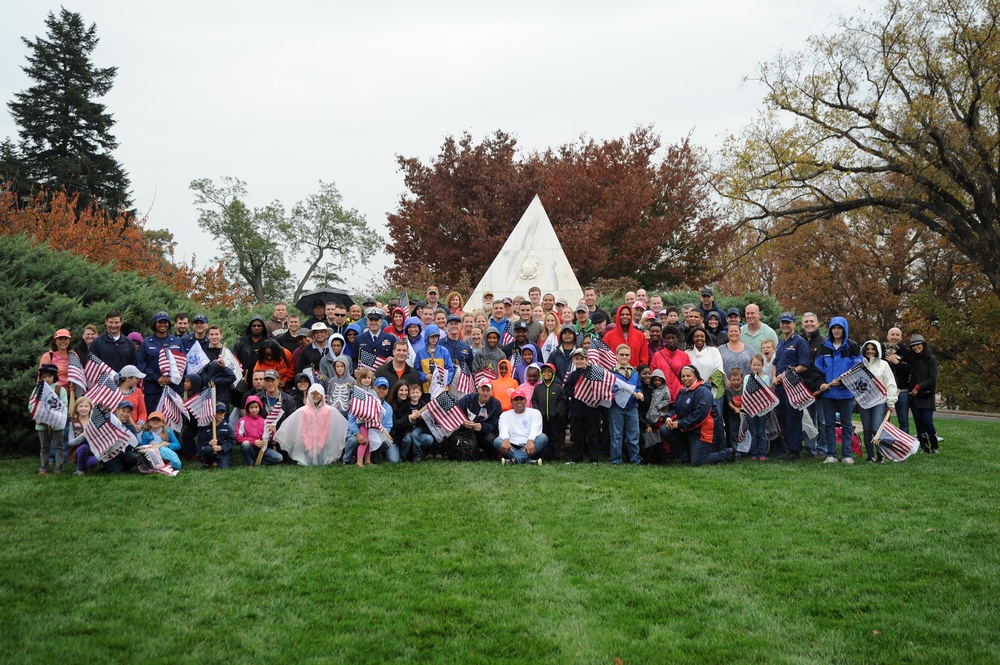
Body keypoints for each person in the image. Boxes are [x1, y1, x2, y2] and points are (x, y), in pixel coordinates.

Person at [660, 365, 734, 466]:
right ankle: (686, 457)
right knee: (664, 429)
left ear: (696, 376)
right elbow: (676, 409)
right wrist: (668, 418)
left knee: (697, 462)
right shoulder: (682, 391)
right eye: (683, 376)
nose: (685, 378)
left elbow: (700, 416)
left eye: (688, 376)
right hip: (687, 428)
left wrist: (680, 424)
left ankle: (727, 453)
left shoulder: (703, 391)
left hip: (701, 431)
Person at [814, 316, 862, 463]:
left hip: (846, 393)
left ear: (844, 329)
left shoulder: (853, 346)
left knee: (847, 424)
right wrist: (821, 383)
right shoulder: (824, 346)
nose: (836, 331)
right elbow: (818, 368)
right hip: (828, 393)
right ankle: (831, 454)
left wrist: (842, 382)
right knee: (828, 424)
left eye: (839, 328)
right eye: (833, 328)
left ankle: (847, 455)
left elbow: (857, 368)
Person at [275, 383, 349, 466]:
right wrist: (309, 447)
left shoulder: (328, 410)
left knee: (321, 461)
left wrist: (320, 445)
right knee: (308, 461)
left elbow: (326, 429)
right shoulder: (304, 411)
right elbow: (303, 430)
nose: (315, 396)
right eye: (313, 393)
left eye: (318, 394)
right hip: (307, 444)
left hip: (322, 444)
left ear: (322, 395)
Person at [772, 312, 812, 461]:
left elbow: (804, 365)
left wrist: (786, 374)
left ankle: (795, 450)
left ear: (794, 324)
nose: (785, 325)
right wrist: (776, 376)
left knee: (793, 417)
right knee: (781, 416)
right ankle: (789, 447)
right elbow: (775, 363)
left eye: (788, 322)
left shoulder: (800, 342)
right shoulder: (781, 343)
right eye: (783, 322)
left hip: (794, 386)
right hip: (780, 387)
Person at [137, 311, 184, 414]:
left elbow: (183, 363)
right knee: (154, 419)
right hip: (153, 389)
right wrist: (156, 377)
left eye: (165, 322)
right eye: (160, 322)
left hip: (174, 387)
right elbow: (141, 365)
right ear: (155, 323)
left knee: (174, 420)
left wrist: (172, 378)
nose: (163, 325)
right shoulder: (147, 342)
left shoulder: (176, 341)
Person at [343, 376, 396, 465]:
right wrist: (358, 434)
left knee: (387, 442)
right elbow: (351, 420)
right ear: (374, 388)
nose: (381, 390)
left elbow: (388, 426)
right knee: (353, 441)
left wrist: (378, 434)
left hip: (375, 432)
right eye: (379, 388)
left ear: (387, 390)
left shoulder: (388, 408)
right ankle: (348, 459)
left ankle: (370, 458)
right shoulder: (361, 400)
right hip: (359, 431)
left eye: (384, 388)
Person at [859, 340, 898, 463]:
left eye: (873, 349)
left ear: (877, 350)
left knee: (877, 428)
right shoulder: (860, 365)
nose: (870, 351)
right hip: (864, 402)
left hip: (879, 401)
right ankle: (870, 456)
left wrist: (891, 401)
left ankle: (881, 455)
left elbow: (890, 383)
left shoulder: (884, 365)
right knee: (867, 429)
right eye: (868, 349)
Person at [562, 349, 601, 464]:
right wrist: (577, 390)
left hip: (591, 409)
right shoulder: (572, 376)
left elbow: (598, 388)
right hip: (576, 410)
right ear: (573, 360)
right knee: (577, 435)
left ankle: (594, 458)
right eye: (577, 359)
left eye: (582, 359)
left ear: (587, 360)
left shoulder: (593, 373)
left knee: (592, 434)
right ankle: (576, 458)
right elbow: (567, 391)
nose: (579, 361)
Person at [494, 384, 548, 465]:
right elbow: (503, 429)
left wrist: (530, 440)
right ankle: (528, 461)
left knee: (543, 437)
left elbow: (535, 429)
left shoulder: (535, 413)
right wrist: (505, 439)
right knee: (497, 441)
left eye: (521, 399)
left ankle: (515, 460)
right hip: (512, 445)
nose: (519, 401)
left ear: (526, 401)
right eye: (516, 399)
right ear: (511, 402)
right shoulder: (504, 415)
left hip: (530, 444)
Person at [609, 344, 644, 465]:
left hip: (632, 407)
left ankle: (635, 459)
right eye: (621, 354)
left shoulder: (634, 373)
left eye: (627, 355)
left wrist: (640, 394)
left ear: (630, 356)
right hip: (616, 407)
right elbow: (608, 389)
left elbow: (639, 387)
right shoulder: (611, 372)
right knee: (616, 434)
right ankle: (615, 460)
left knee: (633, 435)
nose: (624, 357)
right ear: (616, 355)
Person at [32, 363, 68, 474]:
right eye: (44, 376)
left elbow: (64, 405)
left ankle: (59, 467)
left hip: (56, 423)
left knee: (58, 445)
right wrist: (37, 416)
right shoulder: (38, 389)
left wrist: (53, 418)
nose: (47, 379)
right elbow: (32, 404)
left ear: (54, 377)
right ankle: (44, 466)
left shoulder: (60, 389)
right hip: (41, 422)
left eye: (49, 376)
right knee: (44, 446)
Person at [908, 334, 939, 454]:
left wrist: (918, 386)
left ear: (923, 345)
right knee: (919, 423)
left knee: (927, 421)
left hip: (927, 395)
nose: (916, 347)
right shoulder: (912, 359)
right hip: (915, 396)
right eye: (913, 346)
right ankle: (924, 446)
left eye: (918, 345)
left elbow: (932, 378)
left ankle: (934, 445)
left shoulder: (931, 359)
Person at [531, 364, 565, 461]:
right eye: (544, 372)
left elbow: (562, 400)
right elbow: (534, 400)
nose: (546, 374)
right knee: (544, 437)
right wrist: (538, 411)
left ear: (553, 374)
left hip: (554, 418)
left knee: (555, 437)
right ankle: (545, 456)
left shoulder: (557, 388)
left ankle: (556, 456)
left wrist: (558, 412)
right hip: (542, 419)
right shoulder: (538, 388)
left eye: (549, 372)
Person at [238, 395, 282, 466]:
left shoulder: (264, 421)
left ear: (260, 408)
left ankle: (259, 461)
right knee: (245, 445)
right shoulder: (242, 421)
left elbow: (270, 440)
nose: (254, 410)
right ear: (247, 408)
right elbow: (238, 437)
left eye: (256, 407)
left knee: (279, 458)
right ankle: (249, 462)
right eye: (251, 407)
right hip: (250, 447)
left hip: (262, 448)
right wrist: (254, 442)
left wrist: (273, 432)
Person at [743, 354, 772, 461]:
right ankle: (753, 453)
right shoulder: (747, 378)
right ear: (750, 365)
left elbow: (767, 393)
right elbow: (745, 392)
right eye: (754, 365)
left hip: (762, 408)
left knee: (761, 431)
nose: (756, 367)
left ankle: (762, 453)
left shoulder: (766, 378)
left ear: (762, 365)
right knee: (753, 432)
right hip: (750, 408)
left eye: (758, 365)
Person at [884, 327, 913, 433]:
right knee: (885, 420)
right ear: (888, 336)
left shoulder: (906, 352)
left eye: (897, 335)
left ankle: (903, 447)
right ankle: (885, 445)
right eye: (892, 334)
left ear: (901, 338)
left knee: (903, 420)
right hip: (885, 390)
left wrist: (897, 362)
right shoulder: (881, 351)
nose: (895, 337)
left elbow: (910, 370)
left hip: (902, 390)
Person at [649, 325, 685, 404]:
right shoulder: (657, 355)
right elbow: (653, 374)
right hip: (662, 396)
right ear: (664, 339)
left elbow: (688, 374)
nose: (671, 341)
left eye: (673, 338)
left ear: (677, 339)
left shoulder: (683, 356)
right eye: (668, 338)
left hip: (679, 394)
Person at [233, 316, 269, 387]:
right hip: (246, 380)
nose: (256, 328)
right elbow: (234, 360)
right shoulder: (241, 343)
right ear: (250, 327)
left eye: (259, 326)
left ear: (263, 327)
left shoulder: (270, 343)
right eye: (254, 326)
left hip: (265, 379)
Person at [198, 403, 236, 468]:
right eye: (217, 412)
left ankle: (222, 462)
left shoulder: (227, 427)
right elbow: (202, 441)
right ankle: (208, 462)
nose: (219, 414)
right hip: (211, 451)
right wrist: (209, 443)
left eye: (221, 413)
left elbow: (232, 441)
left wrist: (221, 447)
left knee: (224, 468)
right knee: (207, 449)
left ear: (224, 414)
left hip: (223, 453)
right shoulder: (207, 427)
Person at [68, 396, 99, 475]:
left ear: (90, 408)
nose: (83, 409)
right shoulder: (73, 423)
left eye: (86, 406)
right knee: (84, 447)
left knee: (92, 463)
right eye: (80, 406)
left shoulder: (95, 422)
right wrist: (82, 436)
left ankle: (84, 465)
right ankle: (80, 470)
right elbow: (70, 442)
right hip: (78, 450)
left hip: (92, 451)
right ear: (76, 409)